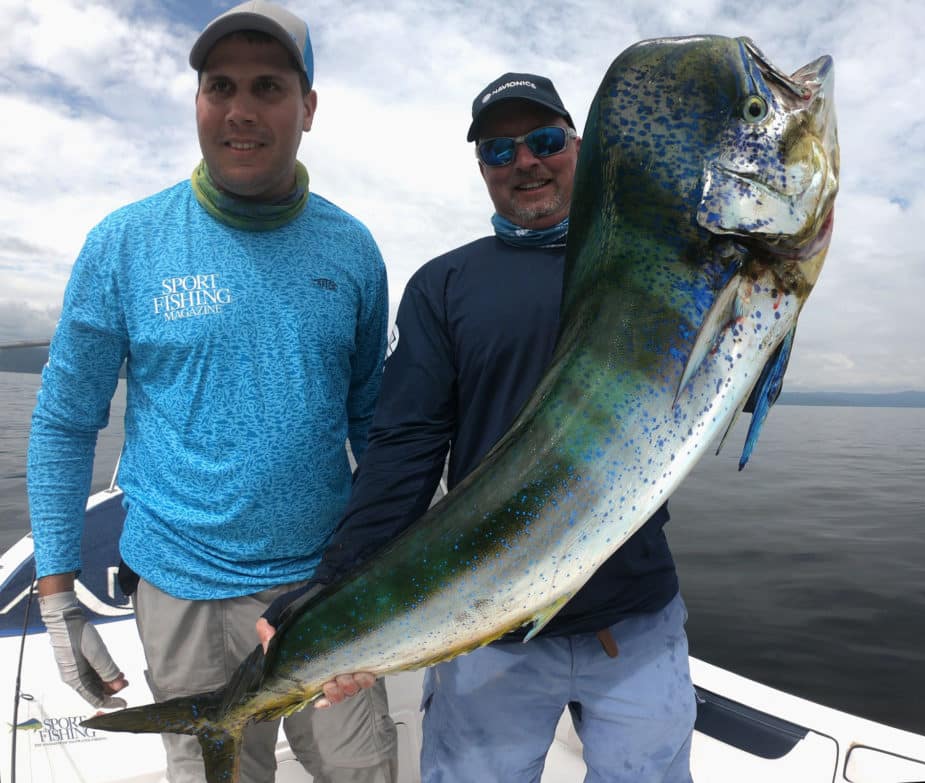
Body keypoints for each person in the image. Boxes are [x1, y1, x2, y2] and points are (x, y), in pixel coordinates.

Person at [260, 73, 698, 782]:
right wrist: (335, 589)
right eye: (499, 151)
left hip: (636, 620)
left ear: (578, 146)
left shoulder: (644, 265)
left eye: (544, 140)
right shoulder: (444, 284)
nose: (524, 161)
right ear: (483, 169)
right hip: (486, 624)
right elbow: (402, 449)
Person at [27, 2, 398, 781]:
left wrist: (385, 568)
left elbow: (376, 424)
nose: (240, 110)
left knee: (362, 770)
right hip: (180, 590)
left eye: (268, 87)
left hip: (324, 585)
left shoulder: (354, 249)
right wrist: (58, 590)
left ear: (308, 107)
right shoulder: (125, 243)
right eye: (219, 86)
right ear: (197, 101)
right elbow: (64, 421)